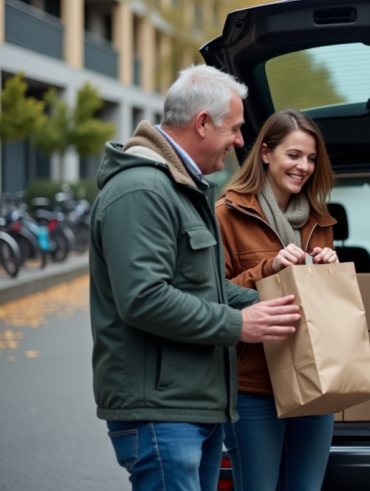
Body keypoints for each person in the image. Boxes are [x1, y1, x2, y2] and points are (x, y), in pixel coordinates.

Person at [90, 65, 302, 491]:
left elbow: (206, 288)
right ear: (203, 123)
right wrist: (239, 325)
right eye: (235, 129)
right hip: (162, 411)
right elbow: (144, 298)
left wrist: (267, 304)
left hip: (190, 406)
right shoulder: (143, 191)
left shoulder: (180, 189)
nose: (240, 141)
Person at [215, 110, 338, 491]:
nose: (304, 167)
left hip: (314, 379)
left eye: (311, 158)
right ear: (265, 153)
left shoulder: (320, 221)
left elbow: (326, 308)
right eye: (294, 155)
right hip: (253, 383)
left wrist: (330, 271)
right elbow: (212, 295)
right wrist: (268, 269)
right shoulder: (227, 214)